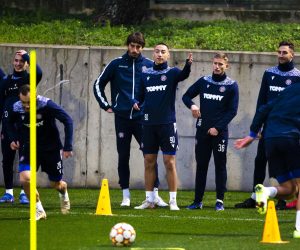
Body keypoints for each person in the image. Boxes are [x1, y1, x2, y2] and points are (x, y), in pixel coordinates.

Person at [93, 32, 167, 207]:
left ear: (142, 48)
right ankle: (125, 195)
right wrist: (106, 105)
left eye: (138, 47)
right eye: (132, 46)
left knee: (150, 157)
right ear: (128, 45)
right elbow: (98, 84)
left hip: (144, 119)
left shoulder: (149, 65)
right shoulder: (116, 64)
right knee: (123, 155)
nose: (135, 49)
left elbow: (161, 89)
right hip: (123, 118)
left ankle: (154, 195)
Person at [235, 41, 300, 210]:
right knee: (260, 160)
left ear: (292, 55)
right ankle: (256, 197)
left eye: (284, 52)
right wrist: (257, 129)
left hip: (284, 130)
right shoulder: (269, 73)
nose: (280, 55)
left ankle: (281, 199)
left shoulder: (296, 77)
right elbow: (262, 101)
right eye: (278, 52)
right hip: (273, 128)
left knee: (287, 172)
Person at [234, 82, 300, 238]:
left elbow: (263, 109)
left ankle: (265, 191)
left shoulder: (289, 89)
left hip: (271, 140)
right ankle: (298, 228)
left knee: (290, 190)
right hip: (291, 139)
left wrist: (251, 134)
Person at [133, 43, 193, 211]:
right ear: (153, 54)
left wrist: (188, 65)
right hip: (148, 124)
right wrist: (135, 102)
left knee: (169, 161)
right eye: (157, 51)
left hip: (167, 124)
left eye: (163, 52)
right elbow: (139, 95)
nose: (160, 54)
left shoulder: (172, 73)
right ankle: (149, 199)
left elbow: (183, 75)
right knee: (149, 161)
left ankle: (173, 200)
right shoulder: (145, 74)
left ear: (168, 55)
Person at [7, 84, 73, 220]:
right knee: (25, 179)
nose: (26, 106)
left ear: (36, 97)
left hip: (51, 148)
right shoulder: (16, 107)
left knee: (56, 184)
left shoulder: (46, 105)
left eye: (29, 102)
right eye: (23, 102)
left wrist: (68, 146)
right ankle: (39, 209)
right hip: (29, 147)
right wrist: (13, 138)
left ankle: (63, 190)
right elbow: (8, 123)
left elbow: (68, 120)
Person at [182, 52, 239, 211]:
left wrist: (217, 128)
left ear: (226, 66)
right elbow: (186, 96)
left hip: (219, 133)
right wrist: (192, 105)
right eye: (215, 63)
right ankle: (197, 201)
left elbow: (232, 111)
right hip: (202, 131)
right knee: (201, 165)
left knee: (220, 165)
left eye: (221, 64)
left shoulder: (231, 85)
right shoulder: (203, 81)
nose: (217, 66)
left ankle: (219, 201)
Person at [0, 50, 42, 204]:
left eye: (21, 61)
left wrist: (27, 56)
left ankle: (25, 192)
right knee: (7, 159)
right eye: (16, 60)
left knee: (27, 159)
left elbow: (38, 71)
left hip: (25, 126)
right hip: (8, 126)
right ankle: (9, 193)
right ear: (13, 62)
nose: (18, 63)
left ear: (25, 64)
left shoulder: (28, 78)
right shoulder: (6, 80)